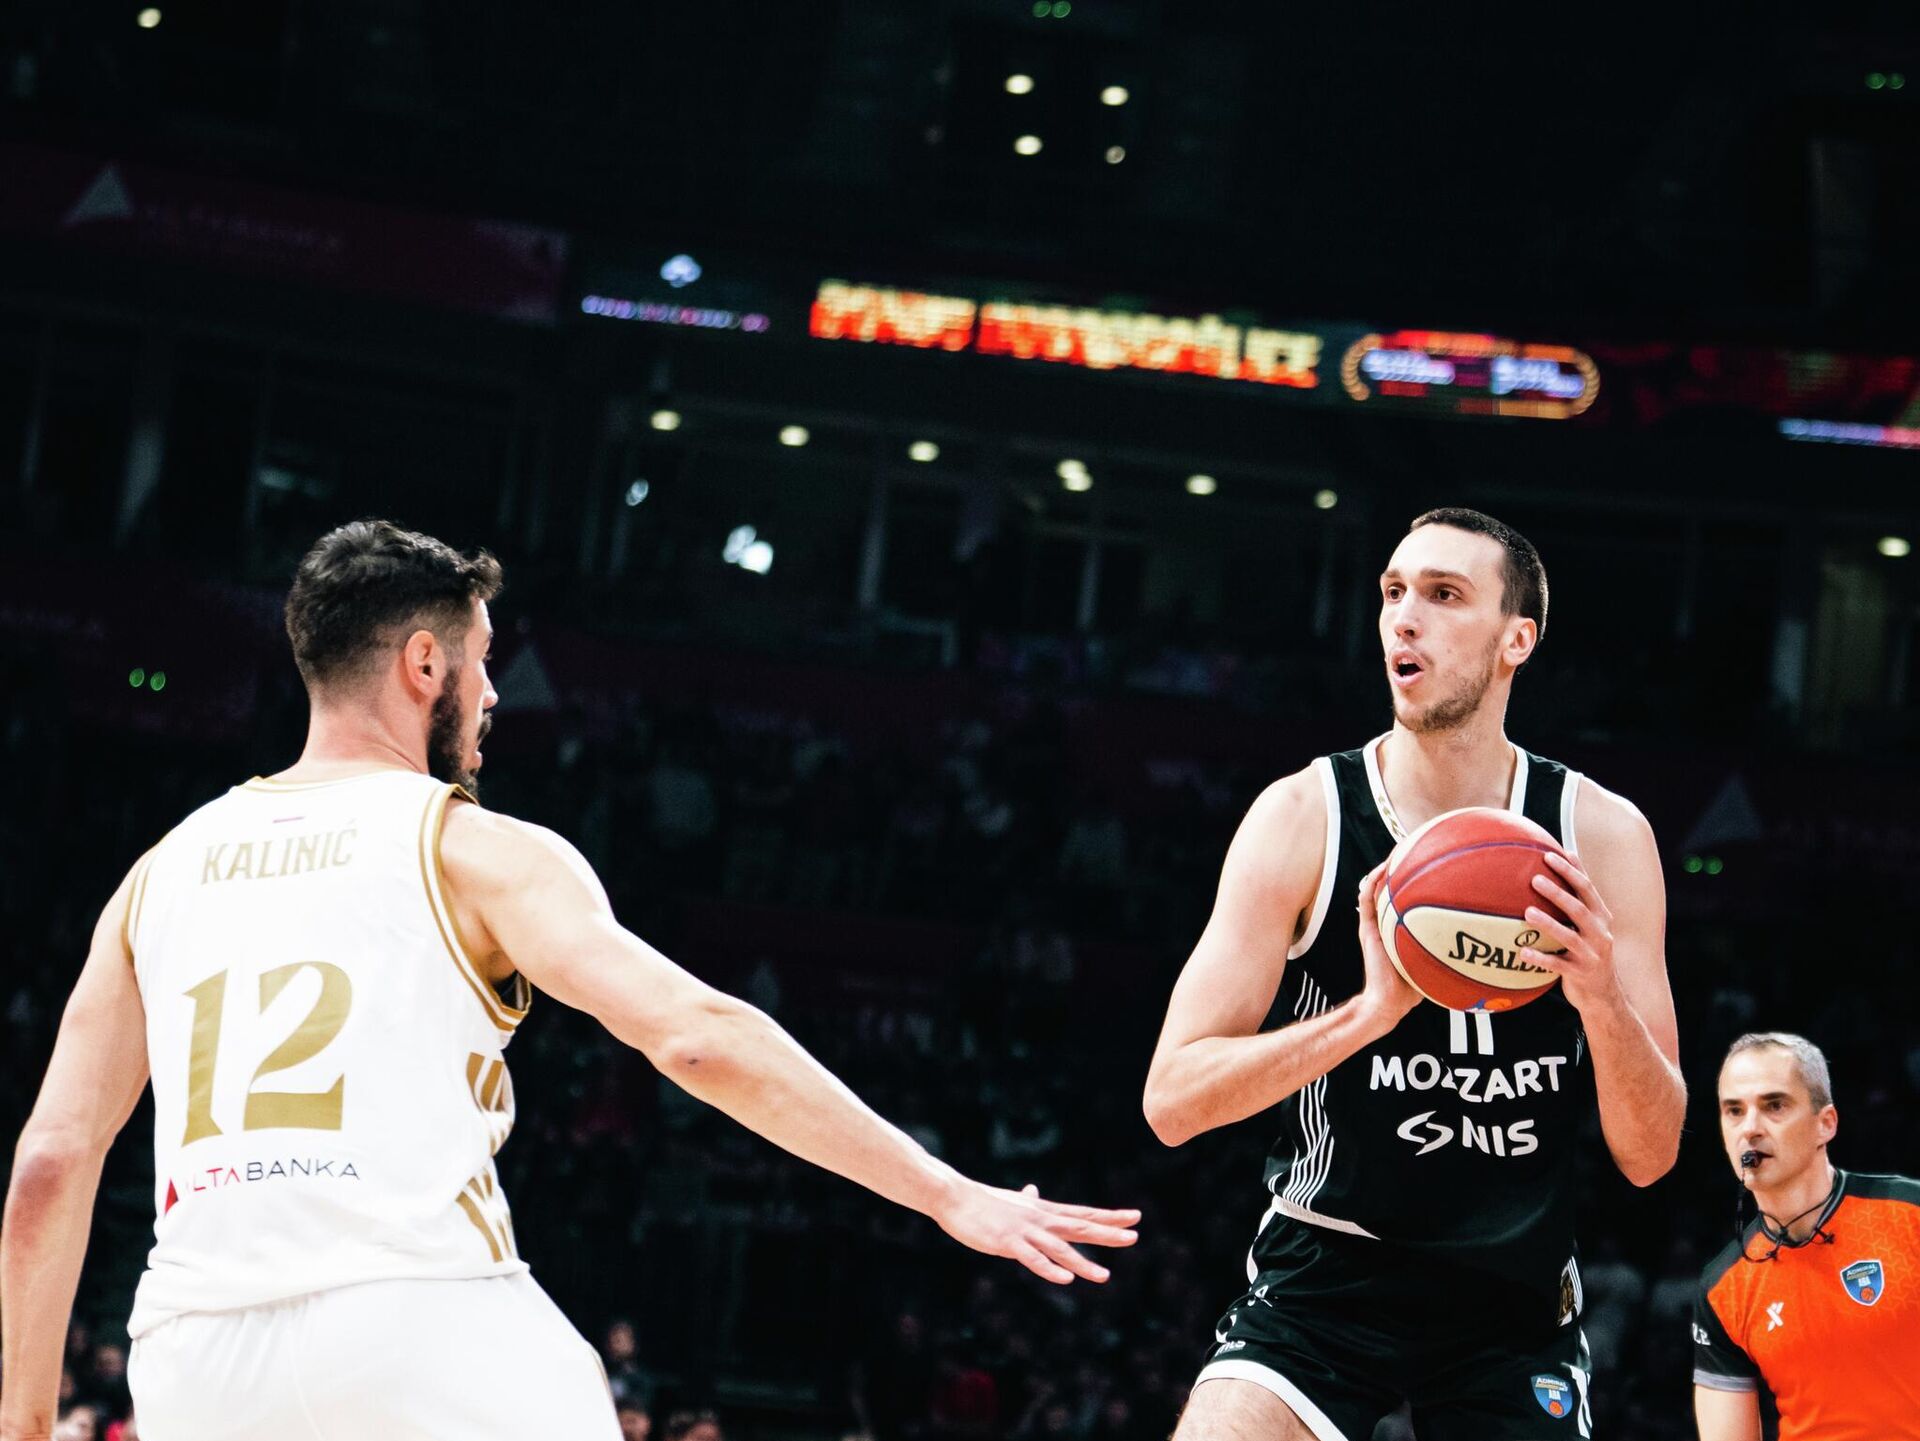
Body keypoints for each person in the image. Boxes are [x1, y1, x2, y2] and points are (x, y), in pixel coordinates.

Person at [1, 520, 1139, 1441]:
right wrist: (942, 1190)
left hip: (194, 1354)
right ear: (425, 664)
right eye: (484, 660)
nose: (494, 694)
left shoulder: (157, 875)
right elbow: (693, 1036)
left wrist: (24, 1424)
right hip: (414, 1320)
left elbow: (51, 1162)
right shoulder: (474, 847)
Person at [1143, 507, 1684, 1441]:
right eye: (1394, 591)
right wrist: (1366, 1015)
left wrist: (1599, 997)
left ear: (1517, 640)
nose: (1404, 616)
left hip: (1513, 1302)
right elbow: (1172, 1100)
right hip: (1328, 1277)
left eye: (1443, 595)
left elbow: (1653, 1153)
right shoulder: (1304, 817)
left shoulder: (1601, 836)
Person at [1692, 1032, 1920, 1440]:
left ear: (1825, 1124)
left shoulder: (1910, 1215)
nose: (1750, 1128)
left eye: (1774, 1106)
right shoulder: (1722, 1288)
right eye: (1734, 1111)